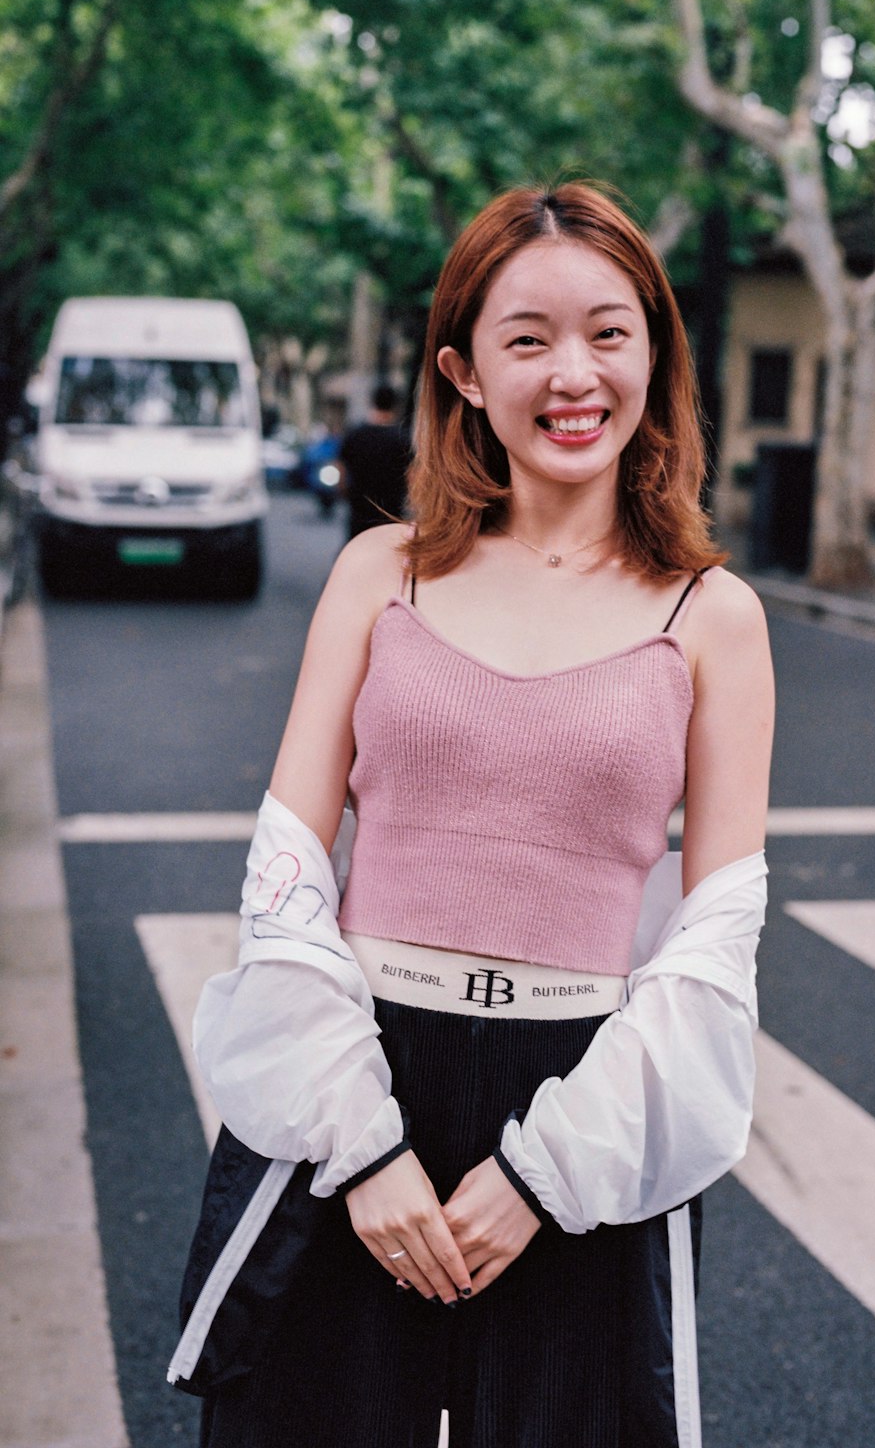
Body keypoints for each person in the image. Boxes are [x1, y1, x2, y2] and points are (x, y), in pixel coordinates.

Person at [171, 182, 774, 1447]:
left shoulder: (710, 616)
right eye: (529, 337)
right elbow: (286, 872)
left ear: (654, 355)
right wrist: (365, 1150)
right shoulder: (379, 573)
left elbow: (716, 941)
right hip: (355, 1083)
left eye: (611, 332)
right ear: (462, 369)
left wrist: (542, 1175)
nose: (575, 372)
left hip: (581, 1111)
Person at [338, 382, 412, 540]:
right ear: (395, 405)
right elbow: (412, 476)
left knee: (357, 550)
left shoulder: (355, 434)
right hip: (390, 511)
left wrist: (346, 492)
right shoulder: (402, 438)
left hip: (359, 509)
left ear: (372, 402)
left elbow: (341, 469)